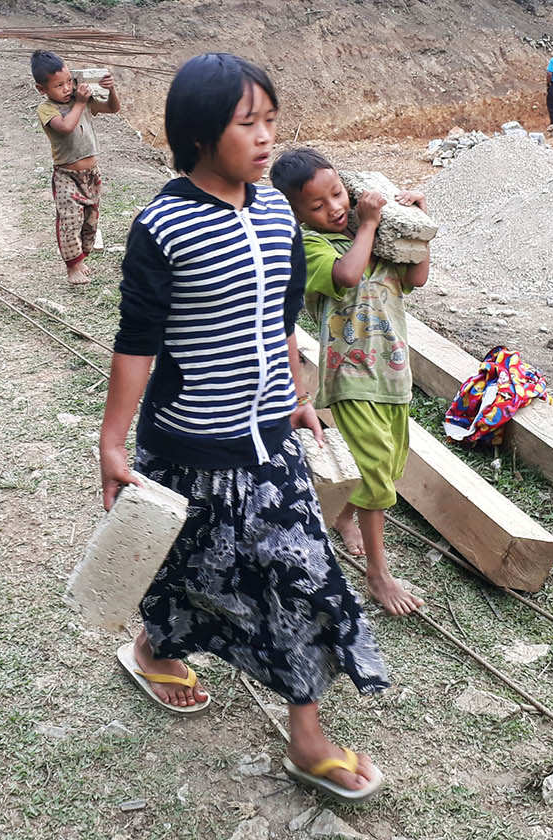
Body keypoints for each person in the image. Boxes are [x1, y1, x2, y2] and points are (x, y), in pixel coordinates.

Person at [99, 52, 389, 803]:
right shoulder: (162, 225)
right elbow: (137, 342)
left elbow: (281, 319)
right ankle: (152, 651)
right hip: (187, 446)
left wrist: (293, 393)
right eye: (246, 123)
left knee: (303, 577)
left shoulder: (276, 213)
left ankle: (307, 739)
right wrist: (112, 443)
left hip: (268, 442)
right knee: (185, 567)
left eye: (270, 122)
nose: (265, 139)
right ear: (199, 133)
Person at [270, 147, 430, 617]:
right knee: (376, 471)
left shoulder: (375, 238)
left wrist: (416, 223)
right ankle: (378, 575)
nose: (334, 207)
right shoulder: (311, 246)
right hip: (351, 376)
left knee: (387, 465)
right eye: (317, 205)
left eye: (338, 193)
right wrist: (368, 224)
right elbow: (346, 275)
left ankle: (343, 517)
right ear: (298, 214)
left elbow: (417, 277)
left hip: (393, 373)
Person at [32, 51, 119, 285]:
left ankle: (81, 259)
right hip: (66, 175)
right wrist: (80, 103)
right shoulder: (47, 109)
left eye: (69, 81)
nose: (67, 88)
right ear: (41, 89)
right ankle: (72, 267)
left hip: (92, 173)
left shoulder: (83, 101)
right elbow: (65, 127)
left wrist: (111, 89)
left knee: (90, 219)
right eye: (59, 85)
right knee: (69, 219)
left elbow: (112, 108)